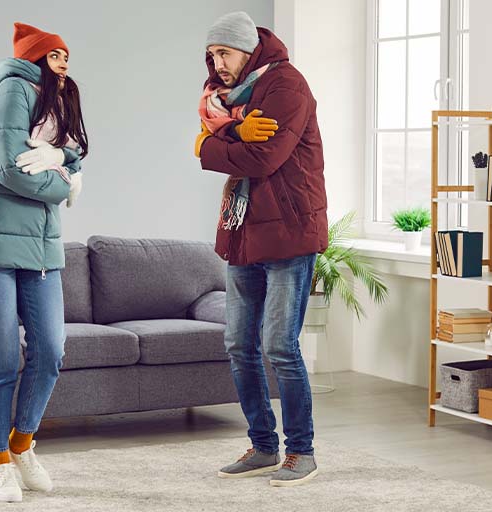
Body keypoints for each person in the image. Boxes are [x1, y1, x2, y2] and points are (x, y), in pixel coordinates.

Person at [0, 22, 87, 503]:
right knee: (2, 358)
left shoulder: (53, 106)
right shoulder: (12, 90)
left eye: (68, 54)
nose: (66, 61)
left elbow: (74, 155)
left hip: (40, 249)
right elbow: (8, 167)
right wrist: (63, 186)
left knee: (50, 350)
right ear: (35, 59)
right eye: (56, 54)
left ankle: (22, 444)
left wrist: (64, 161)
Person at [195, 11, 328, 488]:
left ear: (248, 49)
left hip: (290, 232)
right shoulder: (228, 99)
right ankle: (263, 445)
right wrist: (231, 131)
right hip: (244, 230)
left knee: (279, 346)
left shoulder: (286, 85)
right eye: (211, 55)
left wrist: (211, 143)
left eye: (224, 53)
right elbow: (235, 141)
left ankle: (301, 450)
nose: (217, 63)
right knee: (238, 345)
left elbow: (264, 157)